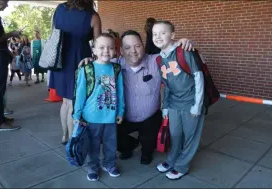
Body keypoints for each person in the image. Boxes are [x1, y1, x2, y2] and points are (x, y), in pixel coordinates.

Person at [79, 30, 194, 165]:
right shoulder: (113, 66)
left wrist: (183, 44)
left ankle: (147, 148)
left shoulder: (156, 61)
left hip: (150, 118)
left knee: (146, 155)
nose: (133, 51)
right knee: (106, 133)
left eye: (137, 46)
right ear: (121, 50)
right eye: (127, 47)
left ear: (143, 46)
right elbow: (99, 63)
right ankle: (128, 146)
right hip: (123, 118)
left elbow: (179, 57)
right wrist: (90, 60)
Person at [152, 21, 205, 180]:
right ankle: (172, 159)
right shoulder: (159, 60)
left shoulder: (184, 51)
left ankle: (182, 165)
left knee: (190, 136)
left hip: (191, 102)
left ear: (173, 35)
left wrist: (198, 105)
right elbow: (166, 85)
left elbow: (198, 77)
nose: (158, 37)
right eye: (155, 34)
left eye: (163, 32)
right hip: (174, 103)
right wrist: (165, 106)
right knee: (175, 134)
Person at [49, 0, 102, 144]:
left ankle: (64, 135)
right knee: (74, 102)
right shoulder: (92, 16)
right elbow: (99, 45)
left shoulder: (60, 9)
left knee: (65, 102)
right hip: (80, 59)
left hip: (59, 58)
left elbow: (55, 31)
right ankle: (73, 140)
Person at [73, 33, 124, 181]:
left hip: (110, 116)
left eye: (110, 47)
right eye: (101, 47)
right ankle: (92, 167)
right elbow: (80, 94)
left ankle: (109, 164)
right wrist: (77, 115)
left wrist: (121, 111)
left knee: (111, 144)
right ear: (94, 50)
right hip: (91, 117)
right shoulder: (86, 69)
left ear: (115, 50)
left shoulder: (116, 69)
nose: (106, 51)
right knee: (92, 146)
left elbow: (120, 93)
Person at [0, 0, 21, 131]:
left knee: (1, 89)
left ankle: (1, 118)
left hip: (2, 55)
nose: (7, 5)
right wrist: (12, 34)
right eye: (5, 2)